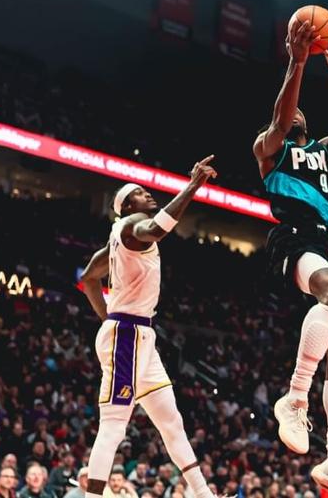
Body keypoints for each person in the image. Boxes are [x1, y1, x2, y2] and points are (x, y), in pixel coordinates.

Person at [252, 19, 328, 494]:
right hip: (293, 240)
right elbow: (281, 120)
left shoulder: (322, 152)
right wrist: (297, 63)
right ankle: (295, 398)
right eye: (287, 110)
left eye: (300, 110)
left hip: (324, 248)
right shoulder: (269, 148)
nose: (295, 114)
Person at [80, 156, 226, 498]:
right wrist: (192, 186)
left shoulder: (116, 243)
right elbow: (158, 229)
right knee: (114, 425)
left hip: (138, 335)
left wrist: (108, 318)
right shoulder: (132, 225)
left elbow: (88, 278)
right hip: (127, 334)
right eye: (140, 193)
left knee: (171, 421)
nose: (148, 195)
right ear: (128, 206)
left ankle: (203, 494)